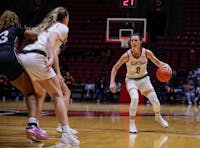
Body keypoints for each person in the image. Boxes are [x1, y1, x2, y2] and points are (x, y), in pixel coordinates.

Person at [18, 7, 80, 145]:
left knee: (39, 93)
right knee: (58, 94)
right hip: (37, 58)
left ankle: (33, 125)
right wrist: (51, 57)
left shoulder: (45, 27)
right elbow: (51, 41)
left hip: (23, 57)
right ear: (65, 18)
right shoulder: (62, 27)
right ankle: (65, 132)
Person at [0, 10, 48, 141]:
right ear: (15, 21)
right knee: (30, 93)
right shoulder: (15, 29)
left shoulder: (1, 33)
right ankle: (32, 124)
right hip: (9, 59)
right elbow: (34, 35)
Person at [109, 33, 170, 133]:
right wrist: (112, 82)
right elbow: (115, 68)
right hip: (131, 80)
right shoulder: (126, 55)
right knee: (134, 98)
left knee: (155, 101)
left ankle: (158, 116)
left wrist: (166, 66)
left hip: (144, 79)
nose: (133, 42)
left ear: (141, 41)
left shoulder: (147, 53)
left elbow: (158, 63)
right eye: (132, 40)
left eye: (136, 40)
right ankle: (132, 123)